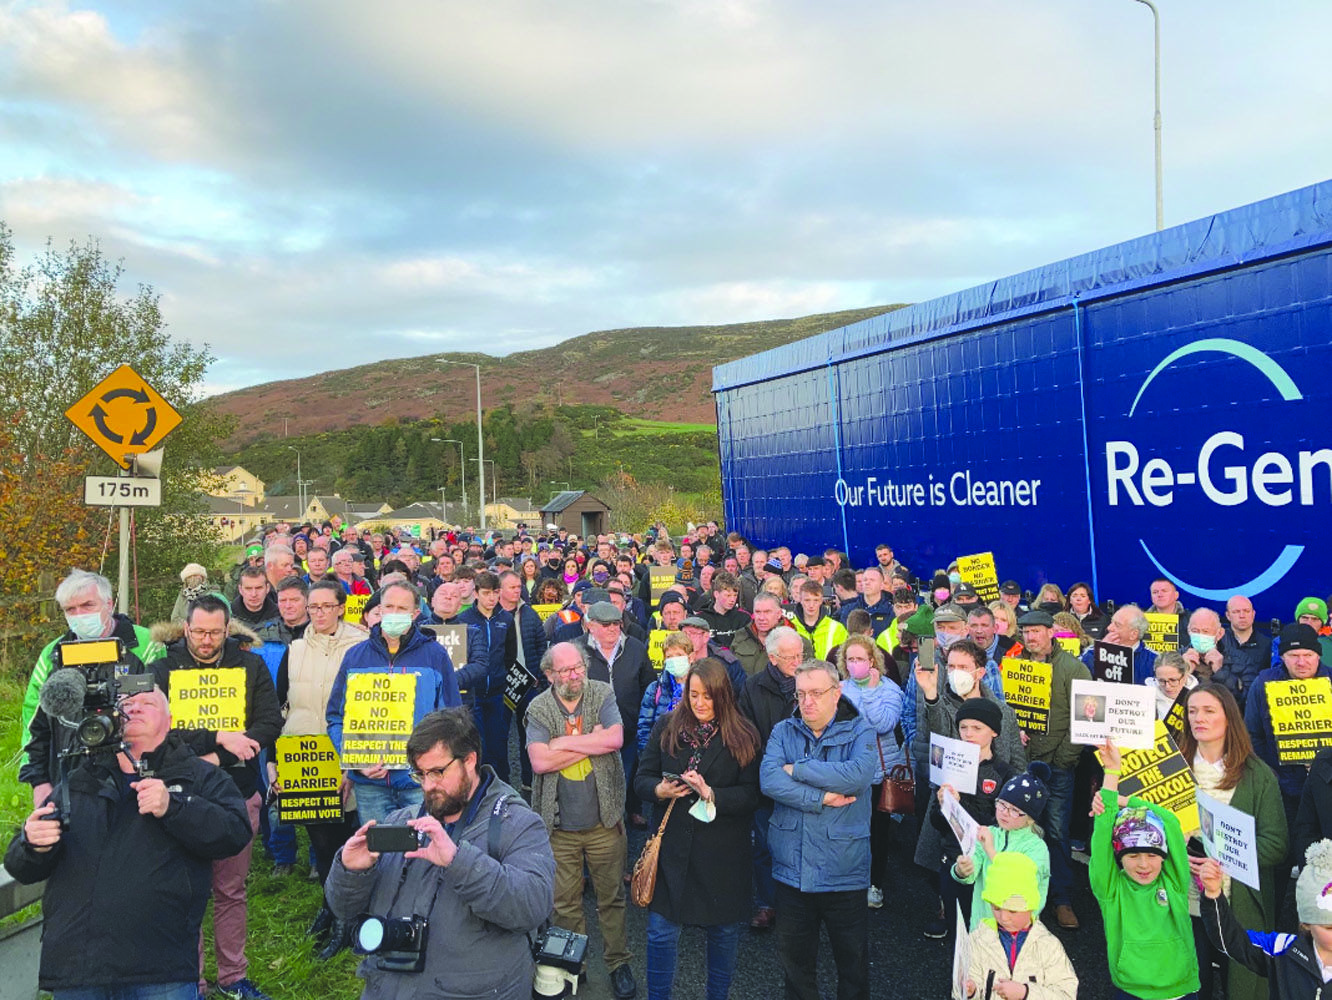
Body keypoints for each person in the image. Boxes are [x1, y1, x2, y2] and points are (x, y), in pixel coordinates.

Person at [4, 687, 253, 1000]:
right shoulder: (79, 780)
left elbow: (234, 832)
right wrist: (32, 844)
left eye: (147, 703)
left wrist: (174, 807)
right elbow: (20, 867)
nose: (134, 709)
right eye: (126, 705)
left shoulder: (199, 778)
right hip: (78, 969)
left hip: (161, 968)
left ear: (170, 720)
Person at [325, 707, 555, 1000]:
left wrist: (458, 861)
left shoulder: (517, 823)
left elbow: (532, 906)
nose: (428, 785)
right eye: (419, 774)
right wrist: (351, 872)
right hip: (387, 987)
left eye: (437, 772)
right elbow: (343, 909)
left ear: (470, 760)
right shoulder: (399, 823)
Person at [151, 594, 283, 1000]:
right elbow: (153, 731)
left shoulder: (250, 664)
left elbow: (268, 723)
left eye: (215, 633)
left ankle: (233, 977)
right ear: (185, 627)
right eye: (199, 632)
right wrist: (216, 738)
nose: (206, 641)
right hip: (177, 796)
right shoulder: (163, 668)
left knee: (230, 889)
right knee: (185, 892)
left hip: (237, 791)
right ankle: (190, 978)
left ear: (229, 630)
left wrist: (215, 755)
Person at [634, 658, 762, 1000]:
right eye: (693, 695)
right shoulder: (667, 727)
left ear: (723, 695)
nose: (700, 703)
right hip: (673, 850)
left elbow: (752, 795)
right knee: (660, 934)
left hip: (722, 855)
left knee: (723, 934)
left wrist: (712, 793)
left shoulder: (744, 735)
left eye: (708, 696)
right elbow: (641, 779)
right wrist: (659, 790)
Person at [760, 659, 877, 1000]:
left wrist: (797, 769)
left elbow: (857, 776)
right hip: (791, 870)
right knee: (796, 970)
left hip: (844, 869)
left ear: (836, 693)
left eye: (816, 693)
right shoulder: (783, 730)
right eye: (800, 694)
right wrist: (821, 798)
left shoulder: (861, 731)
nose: (807, 701)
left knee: (852, 967)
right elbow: (769, 780)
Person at [526, 642, 637, 1000]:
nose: (575, 675)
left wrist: (560, 743)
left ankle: (619, 963)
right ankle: (577, 967)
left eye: (578, 667)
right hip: (560, 828)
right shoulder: (539, 707)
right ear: (549, 675)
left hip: (605, 821)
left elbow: (617, 738)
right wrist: (594, 740)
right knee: (565, 904)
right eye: (566, 670)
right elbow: (539, 763)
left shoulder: (601, 692)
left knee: (612, 899)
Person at [272, 579, 367, 957]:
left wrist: (350, 764)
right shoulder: (294, 650)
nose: (320, 613)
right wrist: (276, 763)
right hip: (304, 761)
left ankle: (352, 916)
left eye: (327, 606)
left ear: (342, 607)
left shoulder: (361, 646)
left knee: (351, 842)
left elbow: (364, 710)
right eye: (314, 607)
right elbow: (279, 707)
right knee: (322, 843)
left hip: (345, 759)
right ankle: (329, 911)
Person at [1180, 682, 1289, 1000]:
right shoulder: (1173, 769)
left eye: (1208, 711)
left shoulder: (1258, 775)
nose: (1198, 718)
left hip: (1237, 903)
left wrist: (1222, 854)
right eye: (1192, 711)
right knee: (1190, 983)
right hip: (1183, 900)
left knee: (1240, 986)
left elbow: (1276, 844)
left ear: (1229, 717)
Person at [20, 568, 165, 805]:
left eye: (87, 606)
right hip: (69, 773)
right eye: (70, 609)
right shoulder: (52, 654)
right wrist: (38, 781)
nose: (79, 615)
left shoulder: (146, 645)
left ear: (108, 604)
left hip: (134, 770)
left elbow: (166, 710)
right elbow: (34, 721)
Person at [326, 581, 462, 823]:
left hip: (419, 782)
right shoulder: (355, 656)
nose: (394, 613)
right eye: (389, 606)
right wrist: (355, 763)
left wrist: (433, 768)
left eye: (402, 608)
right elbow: (336, 717)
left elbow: (451, 719)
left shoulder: (435, 655)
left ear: (415, 614)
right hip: (370, 784)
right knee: (379, 853)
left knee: (424, 851)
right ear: (378, 609)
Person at [1090, 736, 1200, 1000]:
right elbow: (1103, 833)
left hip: (1181, 989)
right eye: (1133, 855)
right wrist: (1111, 775)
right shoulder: (1110, 888)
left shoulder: (1173, 881)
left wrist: (1127, 802)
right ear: (1119, 857)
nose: (1143, 864)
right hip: (1132, 990)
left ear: (1164, 856)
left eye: (1152, 855)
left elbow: (1171, 823)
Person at [1015, 608, 1090, 930]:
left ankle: (1061, 899)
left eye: (1036, 631)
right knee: (1021, 830)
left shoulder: (1074, 668)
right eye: (1025, 632)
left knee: (1057, 832)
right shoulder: (1015, 666)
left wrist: (1064, 759)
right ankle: (1023, 894)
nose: (1030, 637)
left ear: (1051, 633)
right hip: (1022, 762)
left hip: (1057, 765)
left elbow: (1084, 718)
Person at [1199, 839, 1332, 998]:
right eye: (1329, 927)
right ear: (1306, 924)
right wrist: (1213, 893)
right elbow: (1232, 940)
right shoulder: (1283, 950)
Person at [738, 625, 805, 930]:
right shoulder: (753, 687)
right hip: (767, 780)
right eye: (790, 657)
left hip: (806, 779)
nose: (796, 661)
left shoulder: (810, 683)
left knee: (800, 844)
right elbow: (746, 734)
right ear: (773, 658)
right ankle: (767, 903)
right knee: (765, 845)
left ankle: (798, 905)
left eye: (800, 655)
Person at [834, 636, 905, 909]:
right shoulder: (839, 688)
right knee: (848, 828)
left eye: (860, 659)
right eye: (850, 660)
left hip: (879, 772)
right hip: (848, 769)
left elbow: (883, 724)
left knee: (877, 831)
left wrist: (871, 691)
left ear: (872, 661)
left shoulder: (889, 690)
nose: (855, 664)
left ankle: (874, 883)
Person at [960, 852, 1078, 1000]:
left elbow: (1066, 994)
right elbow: (970, 977)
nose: (1003, 917)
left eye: (1012, 910)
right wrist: (971, 991)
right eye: (996, 908)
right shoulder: (978, 939)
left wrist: (1025, 993)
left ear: (1031, 906)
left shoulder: (1048, 946)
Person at [952, 764, 1051, 931]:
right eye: (1002, 805)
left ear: (1030, 819)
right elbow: (972, 870)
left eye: (1015, 811)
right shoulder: (990, 833)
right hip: (982, 926)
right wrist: (963, 870)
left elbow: (1019, 880)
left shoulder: (1036, 847)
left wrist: (990, 850)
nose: (1005, 813)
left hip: (1017, 931)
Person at [1145, 650, 1196, 719]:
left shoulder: (1200, 697)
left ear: (1184, 676)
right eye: (1161, 681)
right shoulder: (1146, 698)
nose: (1167, 687)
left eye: (1173, 680)